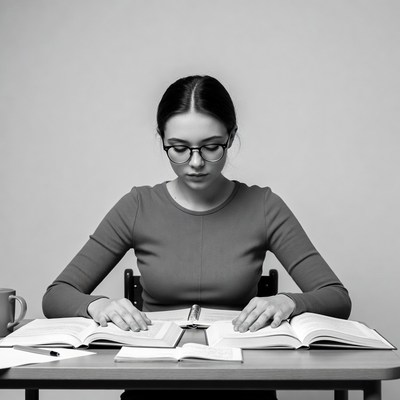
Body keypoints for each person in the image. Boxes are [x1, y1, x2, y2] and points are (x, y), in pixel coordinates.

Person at [42, 75, 351, 400]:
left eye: (211, 147)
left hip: (244, 383)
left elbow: (336, 297)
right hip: (154, 383)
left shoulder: (263, 206)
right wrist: (98, 305)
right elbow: (57, 295)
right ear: (161, 138)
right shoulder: (137, 206)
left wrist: (288, 301)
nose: (195, 162)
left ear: (231, 137)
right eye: (178, 148)